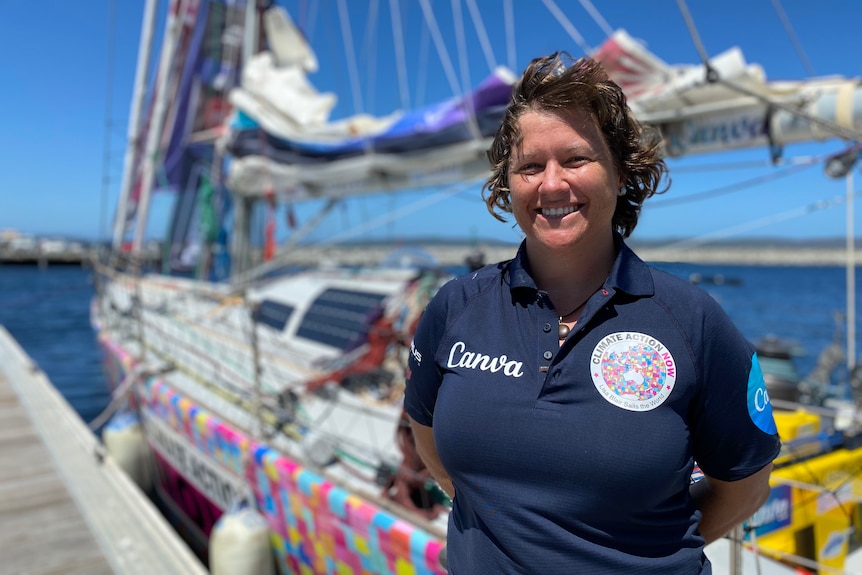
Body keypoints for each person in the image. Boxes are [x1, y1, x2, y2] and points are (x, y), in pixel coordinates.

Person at [404, 52, 780, 574]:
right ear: (507, 185)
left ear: (621, 173)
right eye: (530, 167)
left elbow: (743, 488)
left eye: (576, 159)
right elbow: (432, 447)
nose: (552, 184)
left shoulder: (691, 322)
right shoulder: (456, 307)